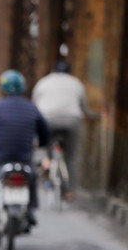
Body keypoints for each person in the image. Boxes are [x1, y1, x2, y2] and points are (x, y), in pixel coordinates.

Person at [0, 69, 50, 223]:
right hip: (24, 158)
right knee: (31, 175)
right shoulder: (32, 108)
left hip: (0, 158)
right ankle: (31, 210)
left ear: (3, 88)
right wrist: (41, 144)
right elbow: (45, 131)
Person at [31, 59, 94, 199]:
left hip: (48, 119)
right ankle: (70, 191)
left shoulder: (43, 82)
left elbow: (34, 106)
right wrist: (92, 115)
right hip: (72, 120)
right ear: (69, 72)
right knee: (71, 156)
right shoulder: (77, 83)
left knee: (42, 143)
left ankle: (44, 160)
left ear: (53, 71)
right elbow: (84, 107)